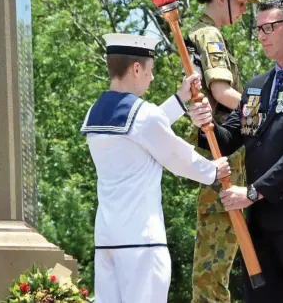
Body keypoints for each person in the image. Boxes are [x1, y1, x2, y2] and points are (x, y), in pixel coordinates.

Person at [189, 0, 283, 303]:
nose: (261, 36)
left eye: (269, 27)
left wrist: (253, 191)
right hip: (260, 223)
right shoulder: (257, 86)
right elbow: (231, 136)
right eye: (258, 29)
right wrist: (203, 123)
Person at [80, 33, 231, 303]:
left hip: (107, 239)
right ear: (136, 69)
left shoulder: (95, 111)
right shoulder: (143, 114)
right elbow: (173, 153)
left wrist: (180, 98)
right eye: (149, 71)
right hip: (142, 240)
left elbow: (147, 129)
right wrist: (212, 169)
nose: (151, 78)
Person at [186, 0, 260, 302]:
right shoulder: (210, 34)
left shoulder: (203, 32)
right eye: (241, 4)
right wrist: (266, 111)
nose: (244, 12)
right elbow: (221, 92)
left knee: (214, 268)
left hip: (219, 157)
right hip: (220, 160)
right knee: (214, 270)